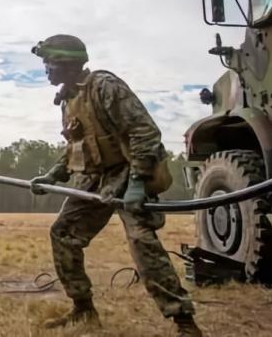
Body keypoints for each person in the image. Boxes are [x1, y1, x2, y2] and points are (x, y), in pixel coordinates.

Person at [29, 35, 202, 336]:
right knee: (63, 233)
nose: (45, 69)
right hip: (94, 177)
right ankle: (83, 309)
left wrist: (137, 182)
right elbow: (76, 146)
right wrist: (55, 174)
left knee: (142, 242)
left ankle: (184, 321)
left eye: (49, 63)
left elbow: (144, 133)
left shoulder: (105, 86)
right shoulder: (68, 98)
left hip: (128, 170)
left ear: (67, 63)